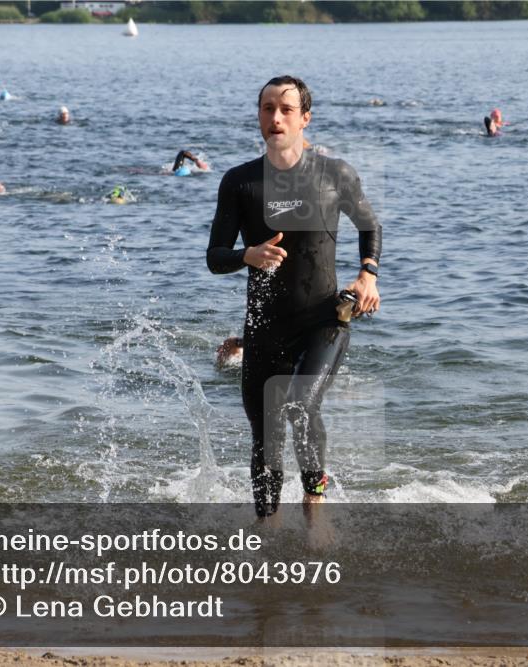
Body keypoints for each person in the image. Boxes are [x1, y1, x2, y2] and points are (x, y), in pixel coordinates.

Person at [206, 75, 382, 521]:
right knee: (266, 437)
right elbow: (214, 257)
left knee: (302, 403)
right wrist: (249, 254)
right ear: (259, 117)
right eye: (267, 108)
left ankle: (315, 501)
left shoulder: (334, 174)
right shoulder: (240, 182)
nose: (275, 117)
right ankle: (266, 528)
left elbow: (369, 226)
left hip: (324, 318)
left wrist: (368, 275)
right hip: (265, 327)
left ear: (305, 118)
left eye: (286, 109)